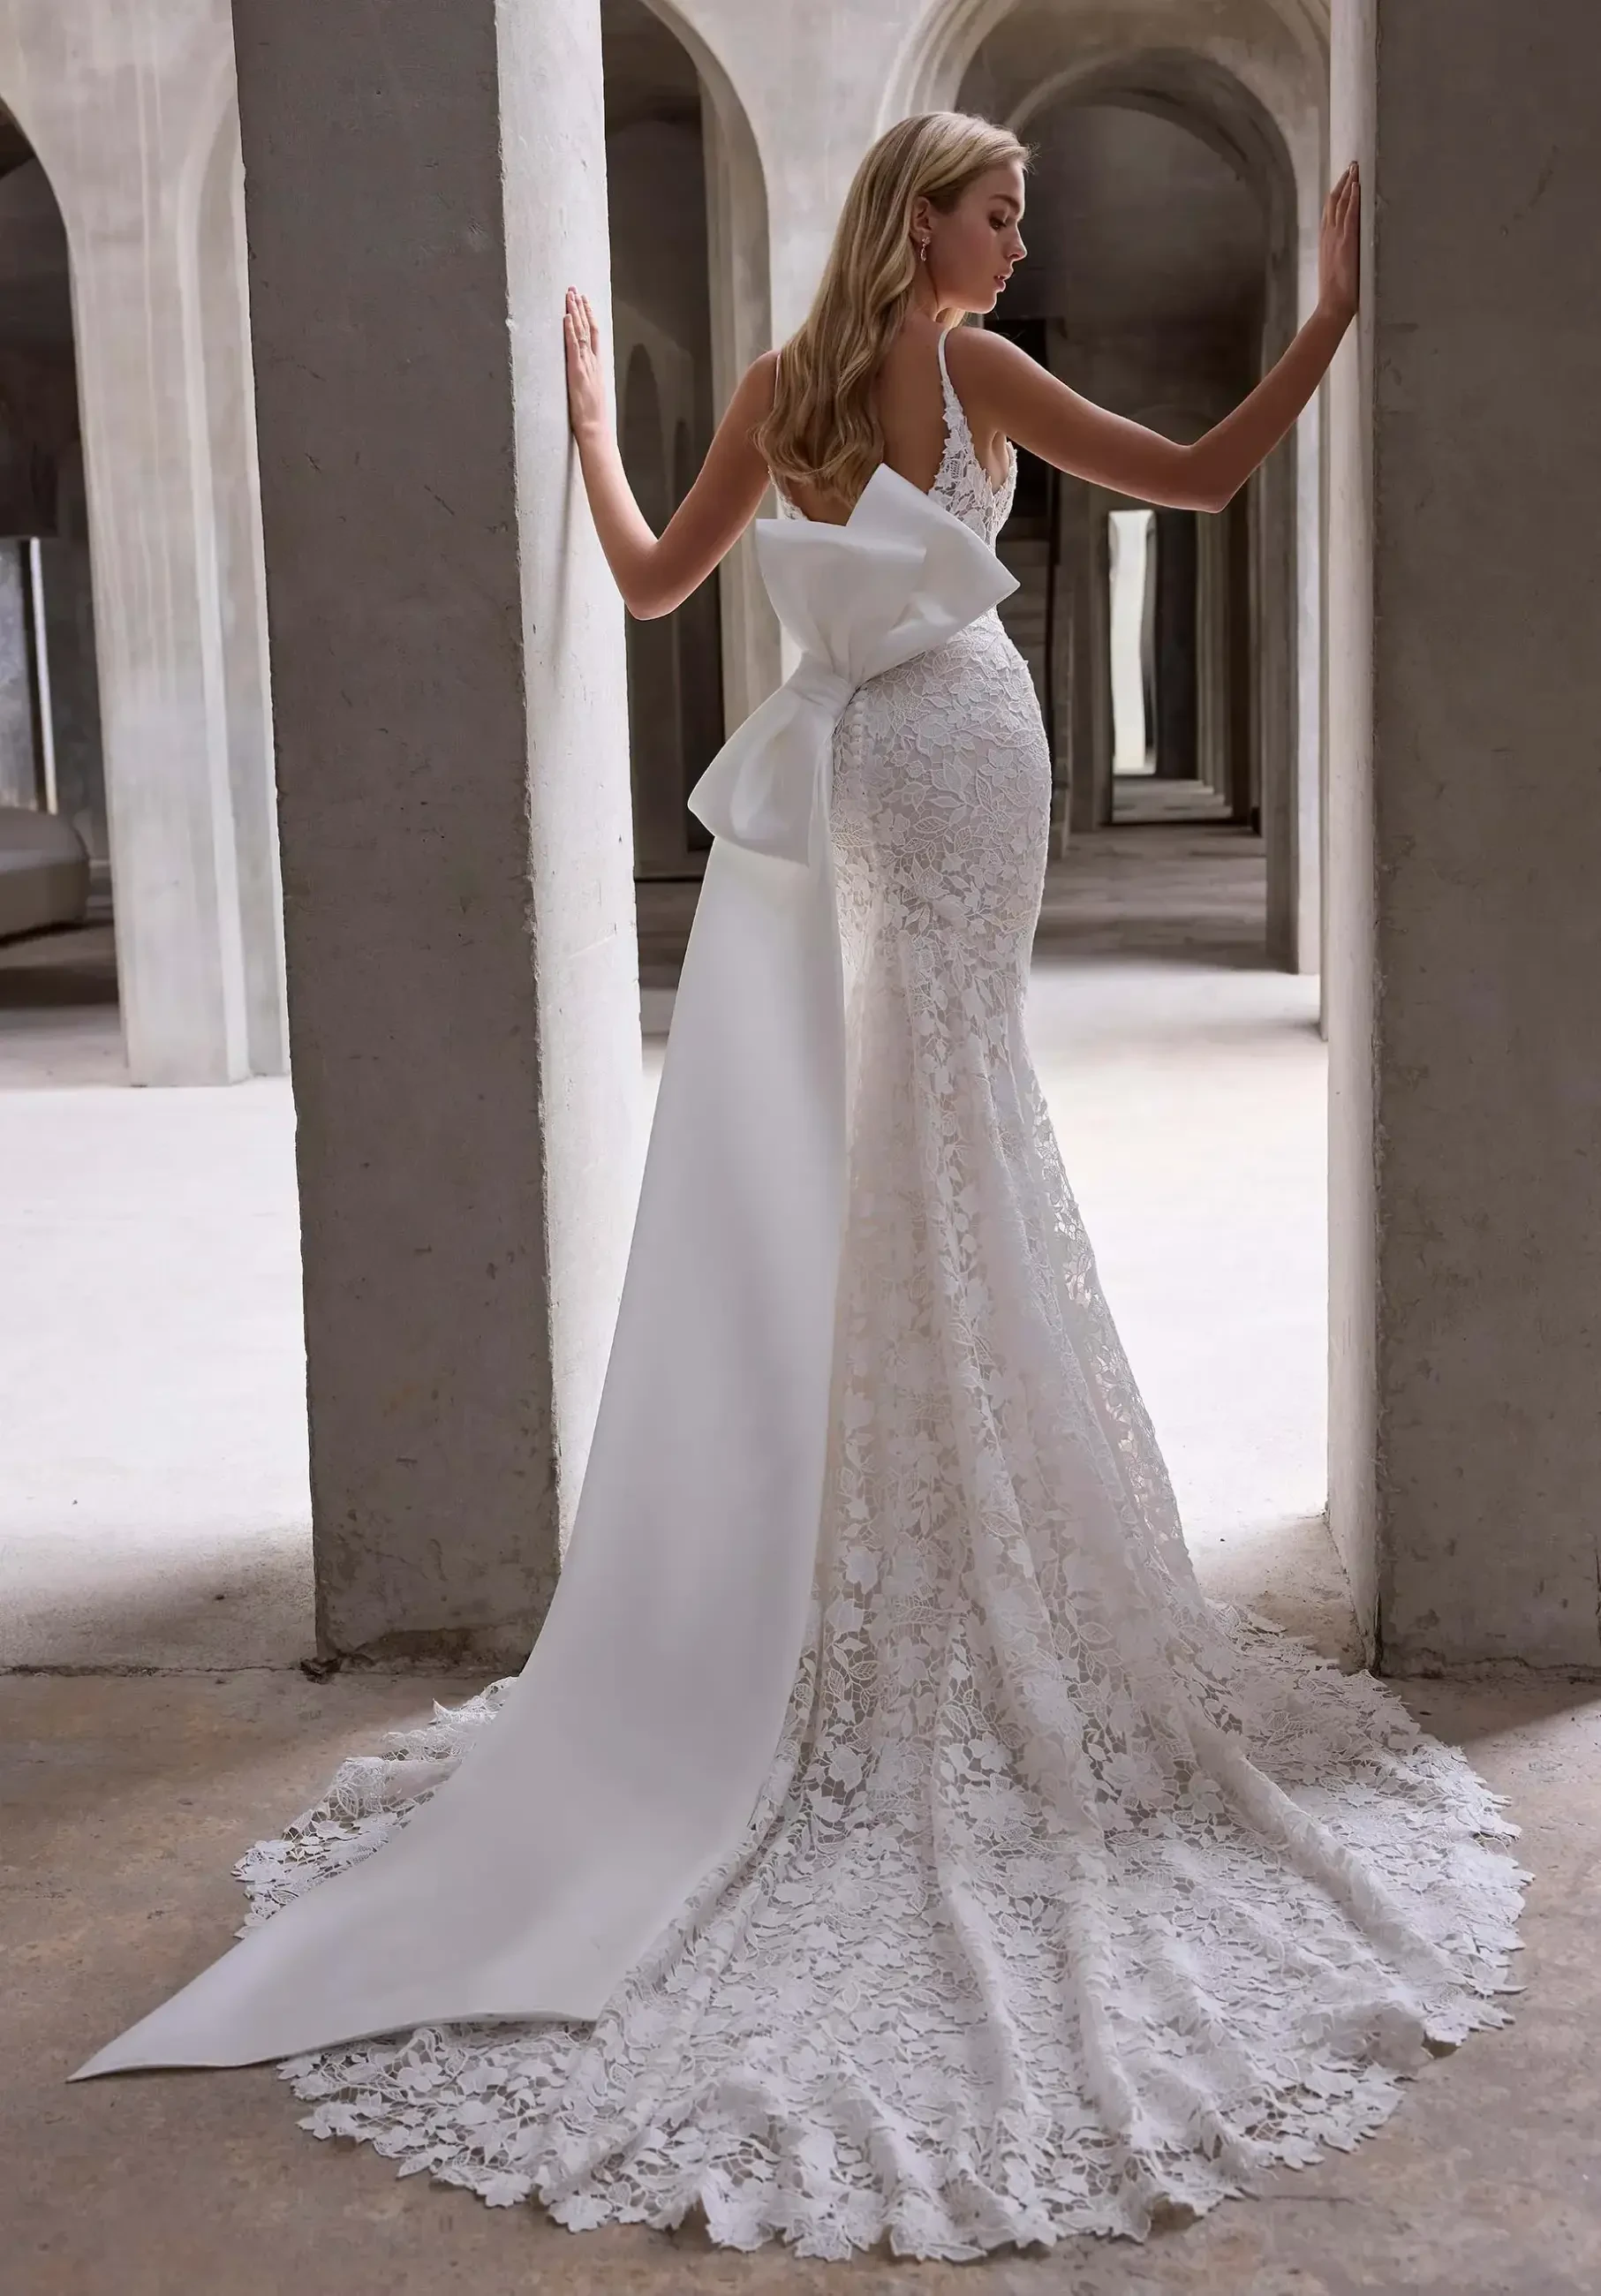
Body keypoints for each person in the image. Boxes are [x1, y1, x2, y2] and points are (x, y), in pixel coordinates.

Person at [76, 112, 1524, 2263]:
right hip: (964, 750)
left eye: (1024, 215)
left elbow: (658, 582)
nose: (1018, 241)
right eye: (997, 207)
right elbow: (1206, 471)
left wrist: (593, 432)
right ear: (916, 215)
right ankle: (944, 1538)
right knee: (957, 1119)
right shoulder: (970, 371)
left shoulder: (776, 389)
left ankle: (884, 1524)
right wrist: (1325, 322)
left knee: (917, 1126)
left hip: (874, 773)